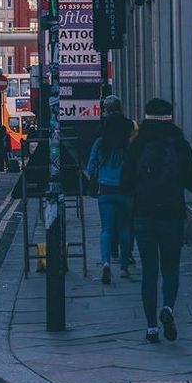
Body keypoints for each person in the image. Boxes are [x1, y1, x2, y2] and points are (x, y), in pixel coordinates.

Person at [121, 98, 192, 344]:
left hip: (144, 216)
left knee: (149, 272)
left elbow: (125, 183)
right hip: (172, 216)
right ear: (170, 117)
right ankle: (168, 308)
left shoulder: (137, 145)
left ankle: (152, 328)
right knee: (171, 269)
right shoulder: (180, 144)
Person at [86, 96, 134, 284]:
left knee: (106, 229)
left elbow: (90, 168)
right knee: (124, 229)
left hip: (105, 191)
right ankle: (123, 268)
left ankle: (106, 262)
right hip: (126, 191)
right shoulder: (129, 142)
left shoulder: (100, 142)